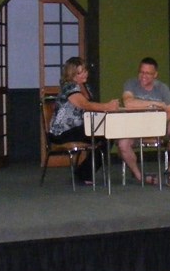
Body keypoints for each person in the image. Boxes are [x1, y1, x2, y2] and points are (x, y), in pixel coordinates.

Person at [49, 57, 120, 185]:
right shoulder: (69, 87)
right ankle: (84, 173)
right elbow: (84, 105)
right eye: (80, 72)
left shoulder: (86, 87)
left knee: (108, 136)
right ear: (72, 75)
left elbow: (90, 106)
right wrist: (107, 106)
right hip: (63, 131)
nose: (85, 74)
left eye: (85, 70)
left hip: (79, 128)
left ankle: (84, 172)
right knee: (104, 135)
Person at [118, 57, 170, 188]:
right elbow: (129, 103)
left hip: (157, 127)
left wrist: (154, 121)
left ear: (155, 75)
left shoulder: (162, 88)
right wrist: (155, 104)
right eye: (141, 72)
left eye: (148, 73)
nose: (143, 76)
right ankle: (139, 175)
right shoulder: (131, 84)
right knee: (122, 144)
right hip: (135, 127)